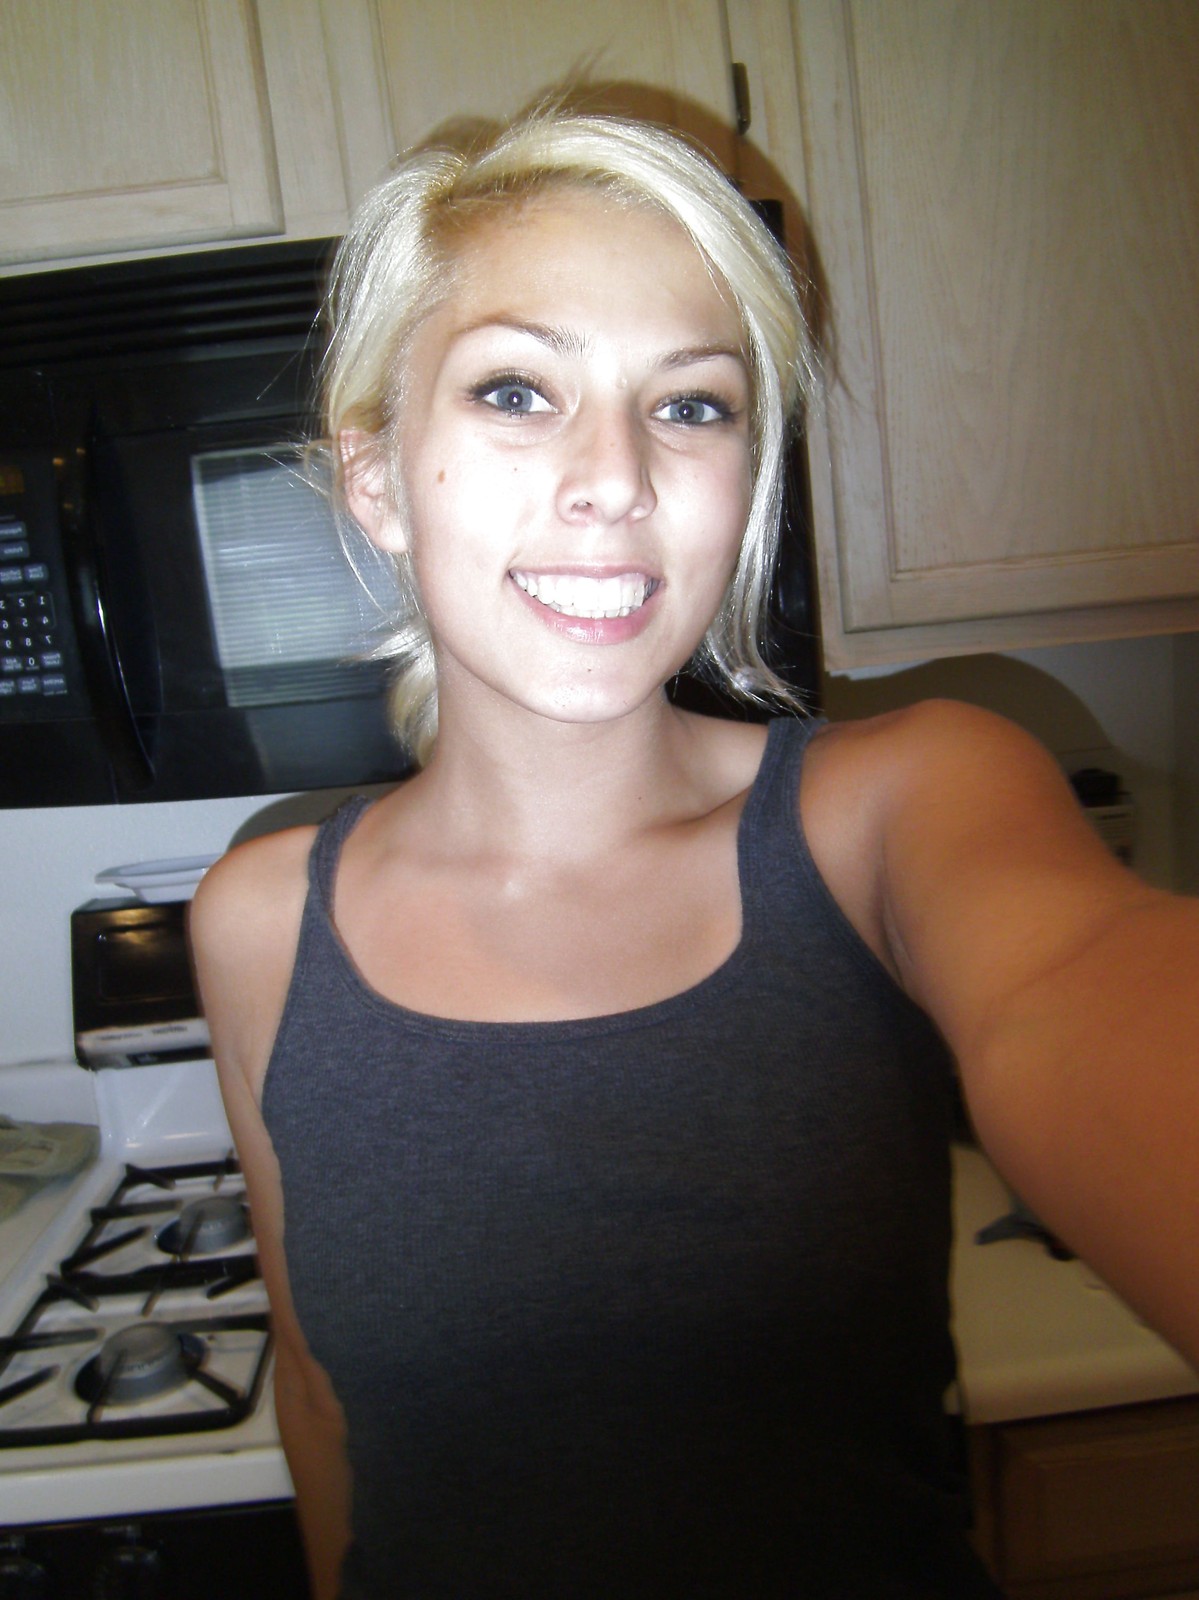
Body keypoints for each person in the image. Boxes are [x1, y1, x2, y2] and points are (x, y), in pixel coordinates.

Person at [188, 103, 1199, 1600]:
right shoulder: (262, 922)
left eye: (692, 406)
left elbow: (1085, 986)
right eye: (517, 391)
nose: (617, 476)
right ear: (381, 478)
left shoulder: (899, 807)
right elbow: (323, 1394)